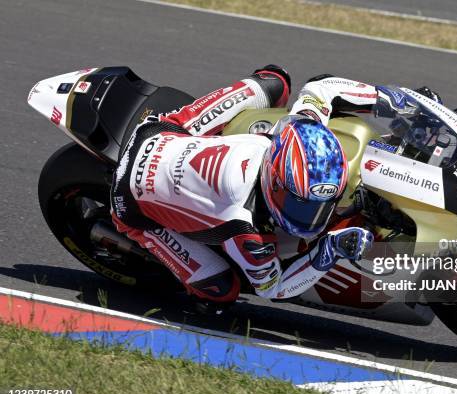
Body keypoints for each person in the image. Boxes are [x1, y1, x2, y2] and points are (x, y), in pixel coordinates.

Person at [110, 64, 439, 307]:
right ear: (275, 185)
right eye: (304, 206)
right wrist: (329, 250)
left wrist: (400, 104)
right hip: (131, 199)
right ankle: (193, 291)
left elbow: (323, 89)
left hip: (171, 132)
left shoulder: (296, 127)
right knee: (222, 291)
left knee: (274, 80)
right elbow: (273, 289)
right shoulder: (244, 228)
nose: (315, 217)